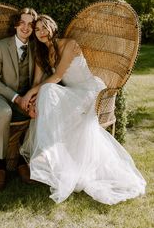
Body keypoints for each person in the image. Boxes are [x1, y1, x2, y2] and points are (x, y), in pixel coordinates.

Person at [20, 14, 146, 205]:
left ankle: (46, 152)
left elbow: (57, 76)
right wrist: (32, 102)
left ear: (53, 27)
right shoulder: (42, 53)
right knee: (46, 93)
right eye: (37, 30)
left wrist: (29, 94)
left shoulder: (69, 44)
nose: (41, 32)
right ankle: (49, 154)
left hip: (89, 91)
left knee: (48, 89)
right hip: (71, 93)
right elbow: (38, 82)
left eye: (44, 27)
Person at [0, 7, 37, 192]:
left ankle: (23, 159)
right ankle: (0, 167)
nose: (26, 27)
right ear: (15, 24)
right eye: (22, 22)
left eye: (30, 24)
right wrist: (15, 98)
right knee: (5, 112)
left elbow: (40, 76)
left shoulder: (35, 48)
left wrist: (32, 98)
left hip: (24, 98)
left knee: (39, 111)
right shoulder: (0, 47)